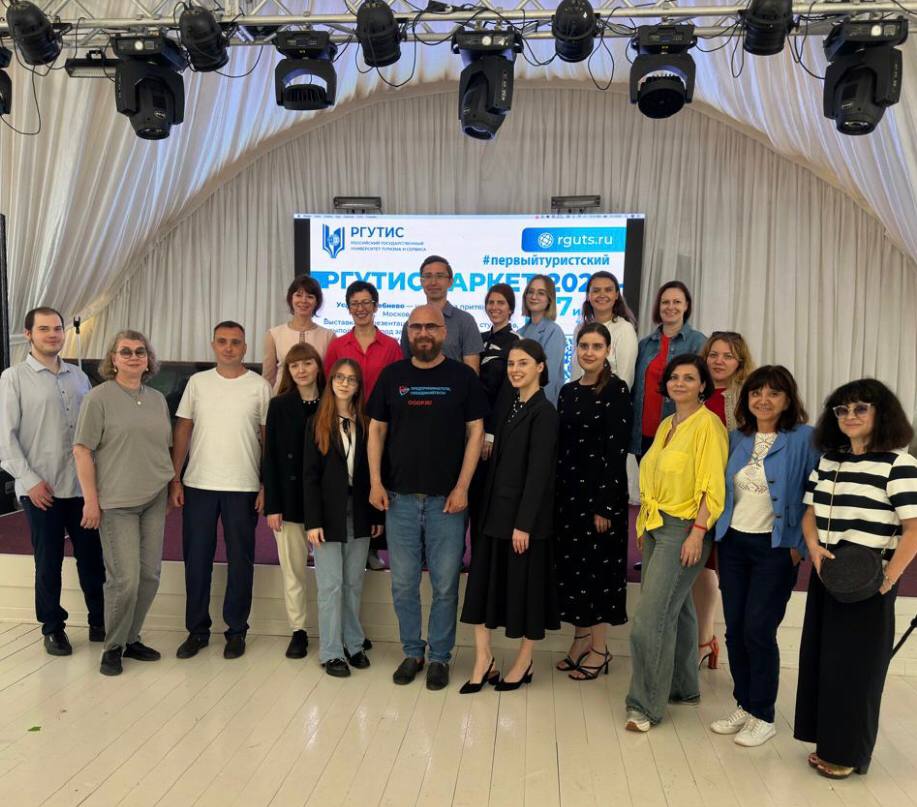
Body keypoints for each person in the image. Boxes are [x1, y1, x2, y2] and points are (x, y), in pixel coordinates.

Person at [794, 379, 917, 779]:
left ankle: (846, 753)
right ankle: (827, 741)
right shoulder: (830, 460)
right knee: (823, 661)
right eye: (842, 410)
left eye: (860, 408)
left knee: (857, 670)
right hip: (828, 573)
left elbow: (914, 529)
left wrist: (889, 578)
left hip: (870, 580)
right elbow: (810, 512)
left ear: (881, 414)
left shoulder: (900, 464)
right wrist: (813, 547)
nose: (849, 416)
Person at [369, 304, 488, 690]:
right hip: (399, 500)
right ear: (407, 332)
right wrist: (375, 482)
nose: (423, 333)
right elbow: (376, 431)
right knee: (403, 584)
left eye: (431, 327)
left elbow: (476, 432)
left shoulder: (463, 377)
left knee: (445, 585)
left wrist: (462, 487)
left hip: (447, 503)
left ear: (443, 333)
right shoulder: (392, 376)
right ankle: (412, 652)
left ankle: (439, 656)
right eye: (416, 327)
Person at [709, 366, 818, 746]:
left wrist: (798, 546)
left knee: (758, 629)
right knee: (735, 629)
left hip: (775, 549)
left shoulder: (805, 438)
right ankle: (744, 703)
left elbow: (817, 495)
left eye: (773, 393)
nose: (763, 400)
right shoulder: (736, 437)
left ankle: (763, 714)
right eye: (757, 392)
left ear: (788, 399)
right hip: (733, 544)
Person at [625, 354, 727, 732]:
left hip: (683, 527)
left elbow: (712, 485)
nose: (679, 383)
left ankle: (645, 705)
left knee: (651, 618)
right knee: (678, 606)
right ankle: (684, 688)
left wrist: (698, 532)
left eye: (689, 378)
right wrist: (645, 525)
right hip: (655, 523)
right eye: (674, 377)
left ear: (703, 386)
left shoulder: (708, 425)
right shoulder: (668, 423)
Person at [0, 307, 105, 655]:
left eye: (57, 328)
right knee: (48, 562)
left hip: (81, 487)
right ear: (29, 334)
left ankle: (100, 621)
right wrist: (30, 481)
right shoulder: (13, 378)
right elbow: (5, 438)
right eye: (44, 329)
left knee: (93, 559)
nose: (53, 334)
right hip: (41, 490)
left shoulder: (79, 377)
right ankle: (53, 628)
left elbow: (92, 434)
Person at [459, 339, 559, 693]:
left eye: (523, 363)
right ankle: (483, 659)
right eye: (512, 364)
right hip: (493, 515)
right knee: (481, 589)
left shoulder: (544, 413)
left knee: (526, 592)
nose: (515, 370)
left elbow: (539, 474)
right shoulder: (510, 406)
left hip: (522, 523)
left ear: (540, 367)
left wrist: (523, 525)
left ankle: (524, 660)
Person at [72, 330, 173, 676]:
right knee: (124, 580)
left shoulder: (157, 399)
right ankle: (112, 648)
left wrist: (168, 483)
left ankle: (131, 638)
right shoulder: (98, 398)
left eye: (139, 352)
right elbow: (82, 451)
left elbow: (163, 446)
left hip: (154, 497)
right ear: (113, 359)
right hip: (116, 503)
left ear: (148, 359)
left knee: (150, 576)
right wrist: (91, 501)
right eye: (125, 351)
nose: (133, 357)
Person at [170, 321, 272, 660]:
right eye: (223, 341)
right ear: (213, 345)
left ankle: (236, 631)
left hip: (243, 487)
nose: (229, 348)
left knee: (241, 561)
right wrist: (175, 478)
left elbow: (268, 440)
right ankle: (197, 631)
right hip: (199, 484)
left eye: (236, 342)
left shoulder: (260, 387)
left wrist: (266, 484)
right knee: (196, 561)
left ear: (245, 348)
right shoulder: (197, 383)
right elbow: (183, 429)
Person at [554, 323, 633, 680]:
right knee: (574, 570)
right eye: (583, 345)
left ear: (607, 350)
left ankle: (600, 650)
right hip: (569, 496)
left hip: (601, 496)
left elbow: (616, 452)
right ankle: (581, 639)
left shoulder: (617, 390)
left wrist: (606, 505)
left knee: (597, 571)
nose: (589, 352)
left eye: (596, 346)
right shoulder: (568, 391)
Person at [304, 359, 384, 677]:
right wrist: (313, 522)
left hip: (360, 510)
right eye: (339, 377)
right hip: (327, 514)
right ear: (331, 381)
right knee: (331, 585)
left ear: (358, 386)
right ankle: (331, 651)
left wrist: (376, 514)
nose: (344, 383)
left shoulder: (366, 423)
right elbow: (309, 477)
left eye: (351, 379)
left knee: (353, 583)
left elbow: (374, 472)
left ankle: (353, 643)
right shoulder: (317, 422)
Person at [693, 331, 757, 670]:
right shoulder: (694, 390)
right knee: (700, 566)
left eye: (727, 356)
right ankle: (702, 639)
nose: (719, 361)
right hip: (693, 491)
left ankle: (712, 641)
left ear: (740, 362)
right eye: (713, 354)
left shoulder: (746, 398)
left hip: (731, 495)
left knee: (723, 568)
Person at [262, 342, 325, 659]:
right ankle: (298, 630)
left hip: (325, 503)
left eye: (307, 363)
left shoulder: (333, 401)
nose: (301, 370)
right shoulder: (279, 405)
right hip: (288, 502)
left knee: (332, 576)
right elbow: (270, 457)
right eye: (294, 365)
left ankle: (336, 629)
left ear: (318, 366)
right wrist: (272, 505)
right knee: (294, 572)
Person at [630, 281, 707, 458]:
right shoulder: (645, 344)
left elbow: (704, 389)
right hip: (645, 434)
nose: (670, 307)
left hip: (680, 432)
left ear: (686, 306)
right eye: (665, 302)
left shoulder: (699, 342)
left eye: (677, 302)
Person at [399, 255, 484, 373]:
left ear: (450, 282)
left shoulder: (465, 321)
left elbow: (472, 372)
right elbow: (405, 368)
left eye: (439, 276)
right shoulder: (411, 324)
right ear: (421, 282)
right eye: (428, 276)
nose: (433, 282)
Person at [324, 280, 402, 401]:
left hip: (381, 412)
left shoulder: (391, 346)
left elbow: (399, 385)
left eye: (366, 302)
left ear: (375, 306)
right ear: (349, 309)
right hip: (346, 411)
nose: (360, 308)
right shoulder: (336, 346)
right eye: (354, 304)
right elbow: (328, 385)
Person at [263, 275, 335, 391]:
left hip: (317, 398)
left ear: (317, 302)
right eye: (298, 295)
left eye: (310, 296)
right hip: (281, 396)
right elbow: (268, 378)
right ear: (290, 299)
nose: (304, 301)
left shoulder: (329, 336)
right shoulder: (274, 334)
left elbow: (330, 376)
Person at [569, 272, 639, 389]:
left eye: (608, 290)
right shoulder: (579, 329)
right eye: (596, 290)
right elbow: (576, 372)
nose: (602, 295)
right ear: (588, 296)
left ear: (616, 295)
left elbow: (625, 380)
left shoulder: (625, 329)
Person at [517, 275, 566, 406]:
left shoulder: (554, 332)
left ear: (549, 299)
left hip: (541, 406)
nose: (534, 297)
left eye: (541, 293)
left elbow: (548, 378)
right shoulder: (519, 332)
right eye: (530, 292)